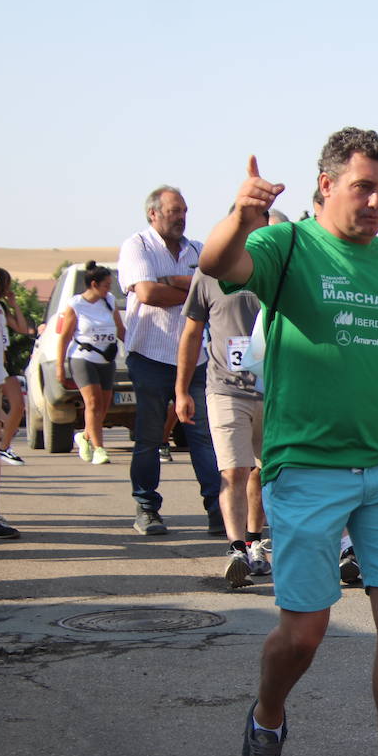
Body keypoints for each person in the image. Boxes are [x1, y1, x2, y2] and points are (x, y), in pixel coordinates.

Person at [200, 127, 378, 756]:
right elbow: (220, 264)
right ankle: (268, 715)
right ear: (326, 186)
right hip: (306, 467)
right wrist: (242, 216)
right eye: (364, 187)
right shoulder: (290, 246)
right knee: (303, 635)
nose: (376, 202)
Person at [175, 209, 289, 587]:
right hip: (225, 387)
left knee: (262, 470)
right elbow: (192, 334)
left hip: (273, 388)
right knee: (234, 469)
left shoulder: (280, 272)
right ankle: (236, 547)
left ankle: (256, 542)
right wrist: (181, 390)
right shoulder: (210, 272)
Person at [117, 186, 221, 536]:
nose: (182, 217)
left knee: (204, 436)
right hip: (150, 356)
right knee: (149, 437)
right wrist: (192, 290)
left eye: (184, 210)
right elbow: (147, 294)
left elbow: (215, 292)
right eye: (174, 211)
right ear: (153, 214)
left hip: (196, 358)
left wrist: (173, 283)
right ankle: (147, 508)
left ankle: (217, 509)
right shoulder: (138, 246)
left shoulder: (198, 250)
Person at [56, 261, 125, 465]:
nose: (109, 289)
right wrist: (60, 366)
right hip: (83, 358)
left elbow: (120, 329)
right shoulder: (76, 304)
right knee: (93, 403)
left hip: (107, 359)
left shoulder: (109, 301)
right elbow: (65, 337)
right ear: (94, 284)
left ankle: (84, 436)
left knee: (103, 406)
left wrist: (135, 349)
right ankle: (99, 448)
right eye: (106, 285)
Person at [0, 267, 35, 466]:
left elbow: (23, 329)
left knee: (19, 405)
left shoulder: (1, 307)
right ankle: (2, 435)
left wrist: (14, 304)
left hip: (5, 361)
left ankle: (3, 446)